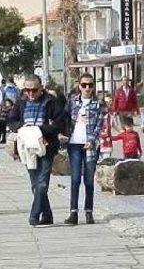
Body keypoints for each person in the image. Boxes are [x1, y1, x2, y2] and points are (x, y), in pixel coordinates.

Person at [8, 74, 65, 226]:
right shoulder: (21, 102)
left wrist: (40, 130)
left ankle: (34, 215)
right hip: (27, 147)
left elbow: (59, 124)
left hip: (46, 146)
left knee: (42, 183)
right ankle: (47, 215)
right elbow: (11, 120)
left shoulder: (51, 102)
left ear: (41, 88)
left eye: (34, 90)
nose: (31, 93)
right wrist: (21, 127)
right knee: (35, 184)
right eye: (27, 90)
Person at [64, 73, 107, 226]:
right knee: (75, 179)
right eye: (84, 85)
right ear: (79, 86)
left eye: (90, 85)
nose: (87, 88)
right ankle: (73, 212)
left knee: (88, 180)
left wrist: (92, 140)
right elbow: (65, 118)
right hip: (74, 143)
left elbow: (100, 124)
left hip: (90, 145)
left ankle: (89, 211)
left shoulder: (99, 104)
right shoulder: (72, 101)